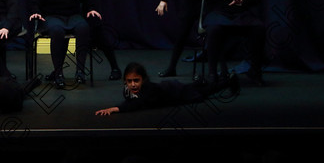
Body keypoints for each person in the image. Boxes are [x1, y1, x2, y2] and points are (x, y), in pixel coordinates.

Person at [30, 0, 99, 88]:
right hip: (53, 17)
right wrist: (36, 13)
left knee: (83, 27)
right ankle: (58, 73)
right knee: (57, 30)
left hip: (72, 16)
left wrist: (91, 8)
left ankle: (80, 71)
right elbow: (35, 3)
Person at [94, 62, 238, 115]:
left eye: (136, 81)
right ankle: (202, 82)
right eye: (129, 81)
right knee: (195, 87)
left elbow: (136, 104)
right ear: (125, 81)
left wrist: (115, 109)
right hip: (170, 89)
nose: (133, 84)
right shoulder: (127, 90)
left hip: (175, 93)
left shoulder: (148, 89)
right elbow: (131, 100)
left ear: (143, 80)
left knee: (204, 93)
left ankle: (228, 82)